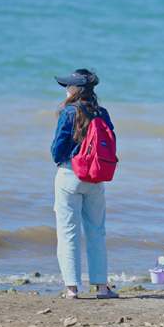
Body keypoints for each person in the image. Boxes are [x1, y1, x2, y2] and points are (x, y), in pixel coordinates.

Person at [49, 69, 117, 299]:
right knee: (97, 233)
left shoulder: (69, 111)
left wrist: (62, 160)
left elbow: (57, 148)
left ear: (76, 89)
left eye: (69, 85)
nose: (66, 89)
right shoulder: (102, 113)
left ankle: (71, 289)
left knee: (68, 233)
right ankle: (101, 288)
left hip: (70, 174)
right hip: (96, 178)